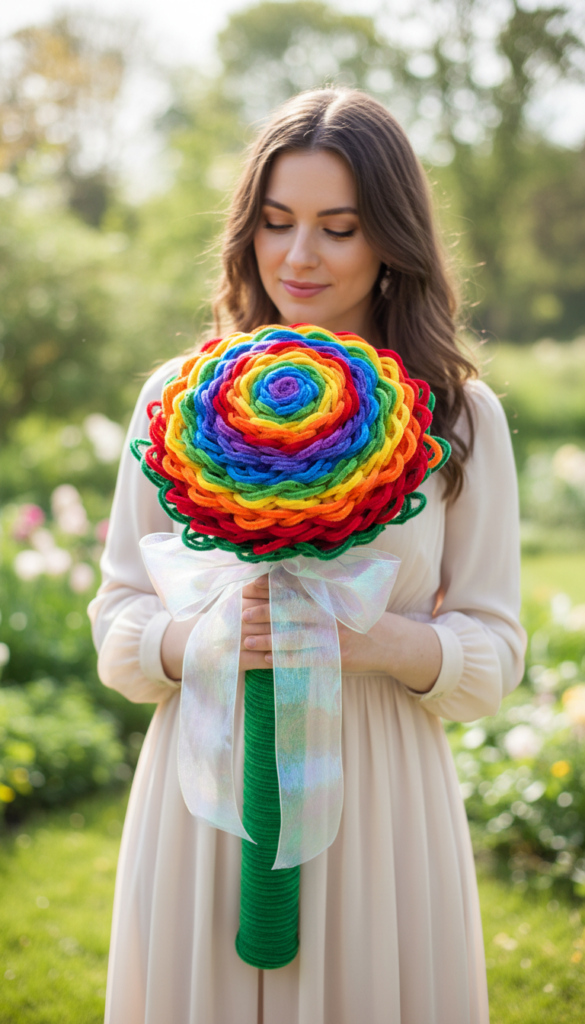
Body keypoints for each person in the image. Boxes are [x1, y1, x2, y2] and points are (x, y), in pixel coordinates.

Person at [88, 88, 526, 1024]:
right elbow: (119, 623)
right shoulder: (177, 398)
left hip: (377, 791)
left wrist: (375, 644)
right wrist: (198, 638)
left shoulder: (457, 416)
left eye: (338, 228)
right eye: (277, 223)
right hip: (204, 788)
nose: (299, 256)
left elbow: (492, 653)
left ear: (389, 240)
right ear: (246, 230)